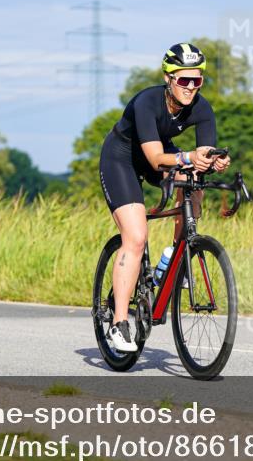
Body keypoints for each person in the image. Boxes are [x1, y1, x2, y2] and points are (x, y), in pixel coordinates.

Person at [98, 42, 232, 352]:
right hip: (123, 158)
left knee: (195, 179)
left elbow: (202, 154)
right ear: (168, 77)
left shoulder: (202, 107)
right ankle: (119, 323)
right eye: (184, 80)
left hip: (159, 155)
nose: (191, 87)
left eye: (197, 80)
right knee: (135, 236)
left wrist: (213, 160)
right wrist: (189, 156)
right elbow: (157, 158)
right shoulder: (147, 102)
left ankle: (174, 256)